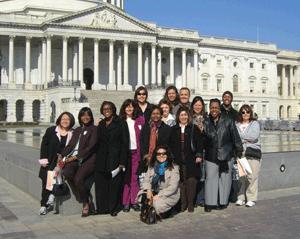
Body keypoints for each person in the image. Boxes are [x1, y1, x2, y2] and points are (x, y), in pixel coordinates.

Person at [203, 99, 243, 212]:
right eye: (212, 108)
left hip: (226, 154)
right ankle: (210, 203)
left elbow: (235, 136)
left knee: (225, 179)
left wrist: (239, 150)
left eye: (216, 107)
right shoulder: (205, 122)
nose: (214, 110)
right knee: (211, 179)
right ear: (209, 109)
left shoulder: (228, 121)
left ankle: (223, 202)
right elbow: (203, 139)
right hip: (211, 154)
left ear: (219, 109)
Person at [61, 107, 97, 217]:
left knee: (78, 179)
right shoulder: (77, 130)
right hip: (74, 159)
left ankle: (85, 203)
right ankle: (84, 196)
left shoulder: (94, 129)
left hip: (88, 159)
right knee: (67, 172)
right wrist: (61, 155)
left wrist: (75, 157)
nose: (85, 117)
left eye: (88, 115)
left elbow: (90, 147)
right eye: (83, 115)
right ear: (80, 117)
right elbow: (70, 145)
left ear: (91, 117)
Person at [95, 101, 128, 217]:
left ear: (113, 109)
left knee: (115, 185)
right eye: (104, 109)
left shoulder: (120, 123)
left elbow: (125, 143)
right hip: (102, 158)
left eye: (109, 108)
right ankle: (102, 208)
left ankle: (114, 208)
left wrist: (122, 162)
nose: (106, 110)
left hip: (115, 157)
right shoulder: (101, 123)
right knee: (102, 184)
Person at [39, 112, 75, 215]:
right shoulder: (51, 130)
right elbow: (44, 145)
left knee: (54, 173)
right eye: (63, 119)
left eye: (68, 119)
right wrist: (43, 160)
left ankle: (51, 197)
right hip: (50, 160)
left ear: (71, 121)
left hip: (65, 161)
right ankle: (44, 204)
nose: (65, 121)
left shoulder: (73, 133)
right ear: (59, 119)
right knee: (48, 177)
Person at [169, 107, 204, 212]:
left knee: (191, 181)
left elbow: (199, 143)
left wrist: (199, 155)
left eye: (185, 115)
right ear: (178, 117)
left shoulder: (193, 128)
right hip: (178, 159)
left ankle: (190, 203)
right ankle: (183, 204)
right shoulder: (174, 129)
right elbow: (170, 145)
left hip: (191, 159)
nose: (183, 117)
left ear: (188, 116)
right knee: (181, 182)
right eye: (181, 115)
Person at [120, 99, 145, 212]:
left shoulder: (140, 120)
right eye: (127, 107)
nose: (129, 109)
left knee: (135, 177)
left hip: (136, 152)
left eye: (131, 107)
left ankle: (134, 201)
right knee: (126, 178)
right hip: (125, 153)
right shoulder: (121, 121)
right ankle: (125, 202)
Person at [139, 145, 180, 217]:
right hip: (155, 191)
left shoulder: (174, 168)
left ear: (167, 155)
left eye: (164, 153)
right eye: (159, 154)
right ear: (155, 155)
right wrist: (148, 190)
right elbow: (146, 180)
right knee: (142, 196)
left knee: (156, 206)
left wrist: (159, 195)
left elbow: (173, 187)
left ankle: (168, 210)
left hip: (168, 194)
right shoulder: (151, 166)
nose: (161, 155)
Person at [235, 104, 261, 207]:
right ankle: (241, 197)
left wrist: (241, 137)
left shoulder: (255, 123)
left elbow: (254, 136)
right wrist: (245, 139)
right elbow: (235, 137)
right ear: (240, 113)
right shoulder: (237, 124)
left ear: (251, 113)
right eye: (243, 112)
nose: (245, 114)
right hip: (241, 153)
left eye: (248, 112)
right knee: (242, 177)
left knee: (252, 177)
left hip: (252, 152)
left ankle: (251, 198)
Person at [138, 106, 172, 186]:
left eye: (157, 113)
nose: (155, 116)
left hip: (160, 159)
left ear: (161, 115)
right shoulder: (146, 127)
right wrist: (146, 155)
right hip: (146, 160)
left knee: (159, 184)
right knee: (146, 184)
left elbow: (166, 145)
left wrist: (156, 156)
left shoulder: (167, 129)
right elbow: (142, 142)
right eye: (153, 114)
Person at [221, 91, 239, 203]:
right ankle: (222, 196)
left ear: (231, 99)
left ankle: (232, 195)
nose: (227, 98)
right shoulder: (218, 111)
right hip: (221, 147)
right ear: (222, 98)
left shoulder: (235, 113)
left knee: (232, 173)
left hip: (231, 148)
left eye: (229, 97)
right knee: (222, 174)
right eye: (225, 97)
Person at [190, 96, 206, 207]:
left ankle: (201, 198)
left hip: (205, 149)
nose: (197, 107)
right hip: (193, 149)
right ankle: (194, 198)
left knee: (203, 175)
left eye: (199, 105)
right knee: (195, 174)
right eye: (196, 105)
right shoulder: (190, 118)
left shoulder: (206, 118)